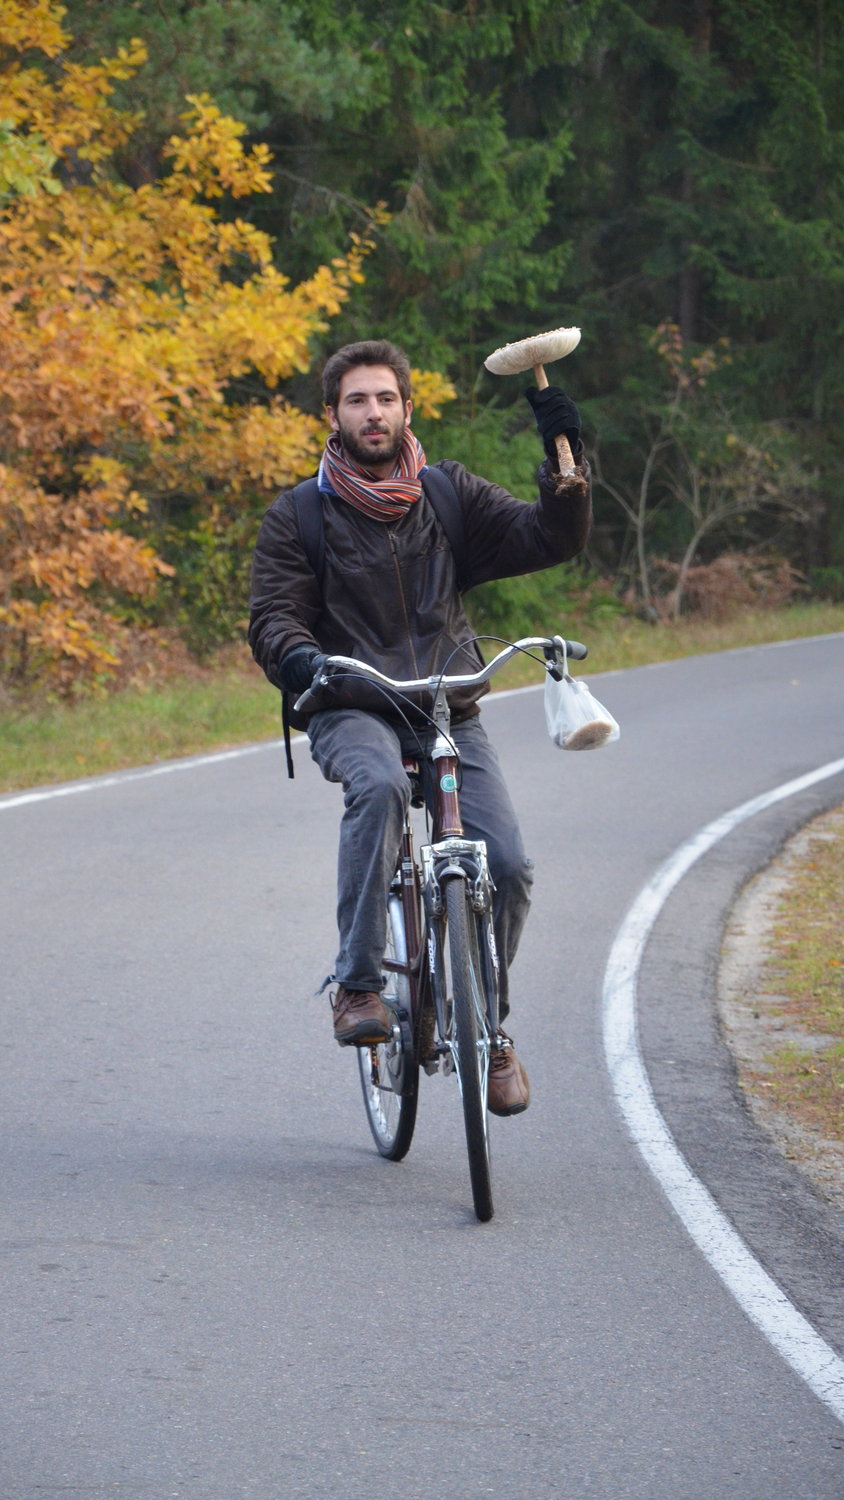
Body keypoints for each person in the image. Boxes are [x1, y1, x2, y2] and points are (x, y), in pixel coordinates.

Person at [248, 339, 591, 1115]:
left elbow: (551, 538)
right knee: (372, 788)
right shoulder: (302, 512)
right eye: (357, 401)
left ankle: (488, 1030)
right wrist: (302, 662)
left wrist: (563, 466)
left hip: (446, 702)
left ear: (409, 408)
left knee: (506, 864)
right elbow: (272, 616)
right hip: (351, 700)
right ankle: (360, 985)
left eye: (386, 399)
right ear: (332, 415)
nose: (374, 413)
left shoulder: (448, 496)